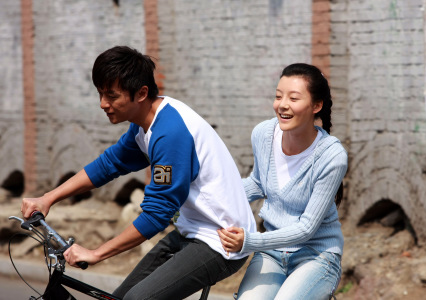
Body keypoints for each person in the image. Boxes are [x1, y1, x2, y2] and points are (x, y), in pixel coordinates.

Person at [21, 45, 256, 300]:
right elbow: (108, 165)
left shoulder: (169, 134)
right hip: (193, 230)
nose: (103, 104)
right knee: (121, 297)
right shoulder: (145, 124)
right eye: (100, 94)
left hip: (221, 242)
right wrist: (47, 198)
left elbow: (157, 214)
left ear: (141, 93)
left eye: (111, 96)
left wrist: (96, 253)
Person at [217, 63, 347, 300]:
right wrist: (213, 198)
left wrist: (250, 241)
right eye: (278, 96)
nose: (282, 105)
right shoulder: (263, 134)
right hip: (270, 252)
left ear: (316, 106)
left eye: (294, 98)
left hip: (316, 254)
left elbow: (306, 229)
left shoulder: (331, 156)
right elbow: (258, 183)